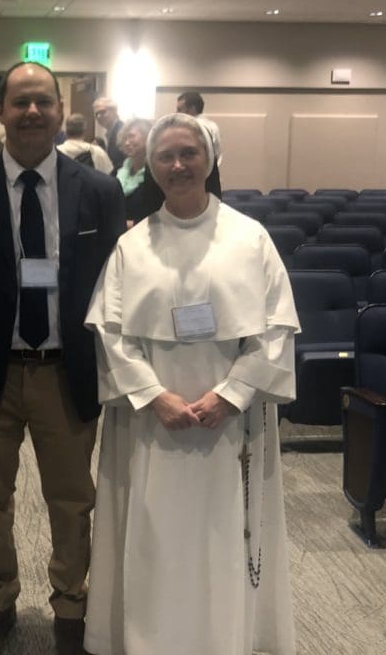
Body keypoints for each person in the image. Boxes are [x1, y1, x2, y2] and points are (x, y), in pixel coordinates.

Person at [83, 112, 298, 655]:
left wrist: (231, 396)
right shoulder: (132, 248)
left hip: (230, 425)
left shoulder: (251, 239)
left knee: (226, 535)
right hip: (155, 423)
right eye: (165, 156)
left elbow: (275, 328)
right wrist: (156, 398)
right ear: (150, 166)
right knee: (158, 535)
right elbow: (112, 333)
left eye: (189, 153)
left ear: (210, 159)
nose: (178, 165)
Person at [0, 62, 126, 655]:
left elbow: (115, 286)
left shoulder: (97, 190)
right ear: (1, 111)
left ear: (57, 107)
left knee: (72, 500)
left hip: (64, 372)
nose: (33, 113)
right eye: (21, 103)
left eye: (43, 101)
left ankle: (72, 604)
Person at [177, 90, 223, 197]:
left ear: (192, 109)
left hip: (195, 181)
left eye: (180, 110)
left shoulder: (190, 128)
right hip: (212, 180)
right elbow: (217, 154)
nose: (176, 113)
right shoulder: (213, 126)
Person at [92, 96, 125, 170]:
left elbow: (123, 163)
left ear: (114, 111)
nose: (99, 116)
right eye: (97, 114)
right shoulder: (110, 133)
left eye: (103, 112)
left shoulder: (122, 132)